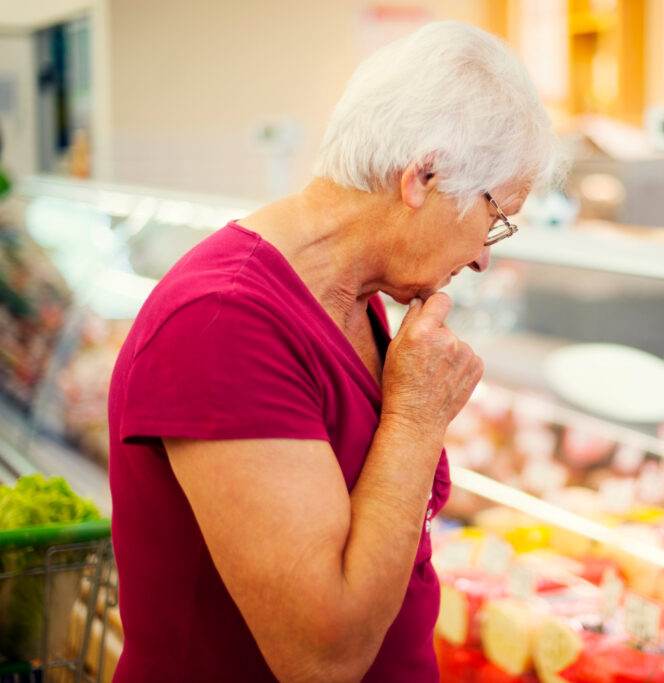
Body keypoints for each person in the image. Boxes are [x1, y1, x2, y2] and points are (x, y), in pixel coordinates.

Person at [107, 21, 561, 682]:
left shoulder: (361, 298)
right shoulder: (223, 321)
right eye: (495, 216)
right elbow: (322, 655)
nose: (485, 256)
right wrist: (418, 415)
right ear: (423, 175)